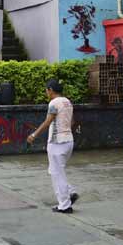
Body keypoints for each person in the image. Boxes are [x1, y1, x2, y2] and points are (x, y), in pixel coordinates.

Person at [27, 79, 79, 214]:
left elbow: (47, 122)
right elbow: (72, 121)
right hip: (68, 141)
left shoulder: (54, 103)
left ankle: (65, 205)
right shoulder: (67, 102)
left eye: (46, 90)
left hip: (57, 143)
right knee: (55, 170)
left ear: (50, 90)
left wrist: (34, 135)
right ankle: (70, 192)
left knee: (57, 174)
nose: (46, 92)